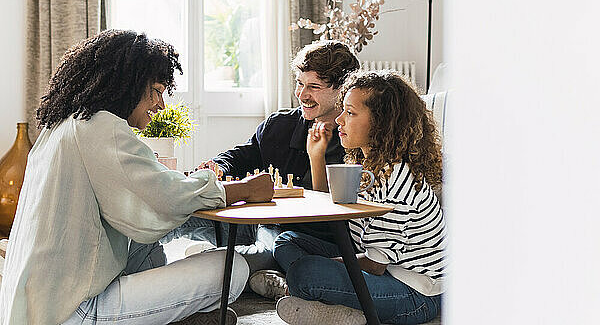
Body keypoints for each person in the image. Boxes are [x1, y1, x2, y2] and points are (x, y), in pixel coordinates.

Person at [0, 30, 274, 325]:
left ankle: (177, 315)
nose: (161, 105)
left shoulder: (64, 125)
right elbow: (167, 197)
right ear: (128, 84)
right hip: (74, 309)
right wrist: (242, 189)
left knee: (143, 239)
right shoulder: (103, 127)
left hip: (41, 304)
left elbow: (144, 202)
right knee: (233, 268)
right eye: (157, 90)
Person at [165, 40, 360, 299]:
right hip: (257, 223)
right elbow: (243, 154)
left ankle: (222, 267)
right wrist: (219, 167)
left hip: (302, 240)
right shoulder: (279, 125)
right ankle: (135, 270)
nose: (302, 94)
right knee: (179, 210)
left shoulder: (357, 140)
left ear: (342, 90)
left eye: (314, 86)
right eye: (300, 83)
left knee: (236, 264)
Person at [273, 70, 447, 325]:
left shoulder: (397, 181)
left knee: (305, 271)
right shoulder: (368, 166)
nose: (339, 120)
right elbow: (330, 212)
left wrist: (324, 267)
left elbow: (375, 265)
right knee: (287, 241)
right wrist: (316, 156)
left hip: (416, 292)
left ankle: (329, 302)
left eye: (350, 113)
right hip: (378, 264)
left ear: (381, 123)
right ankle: (334, 303)